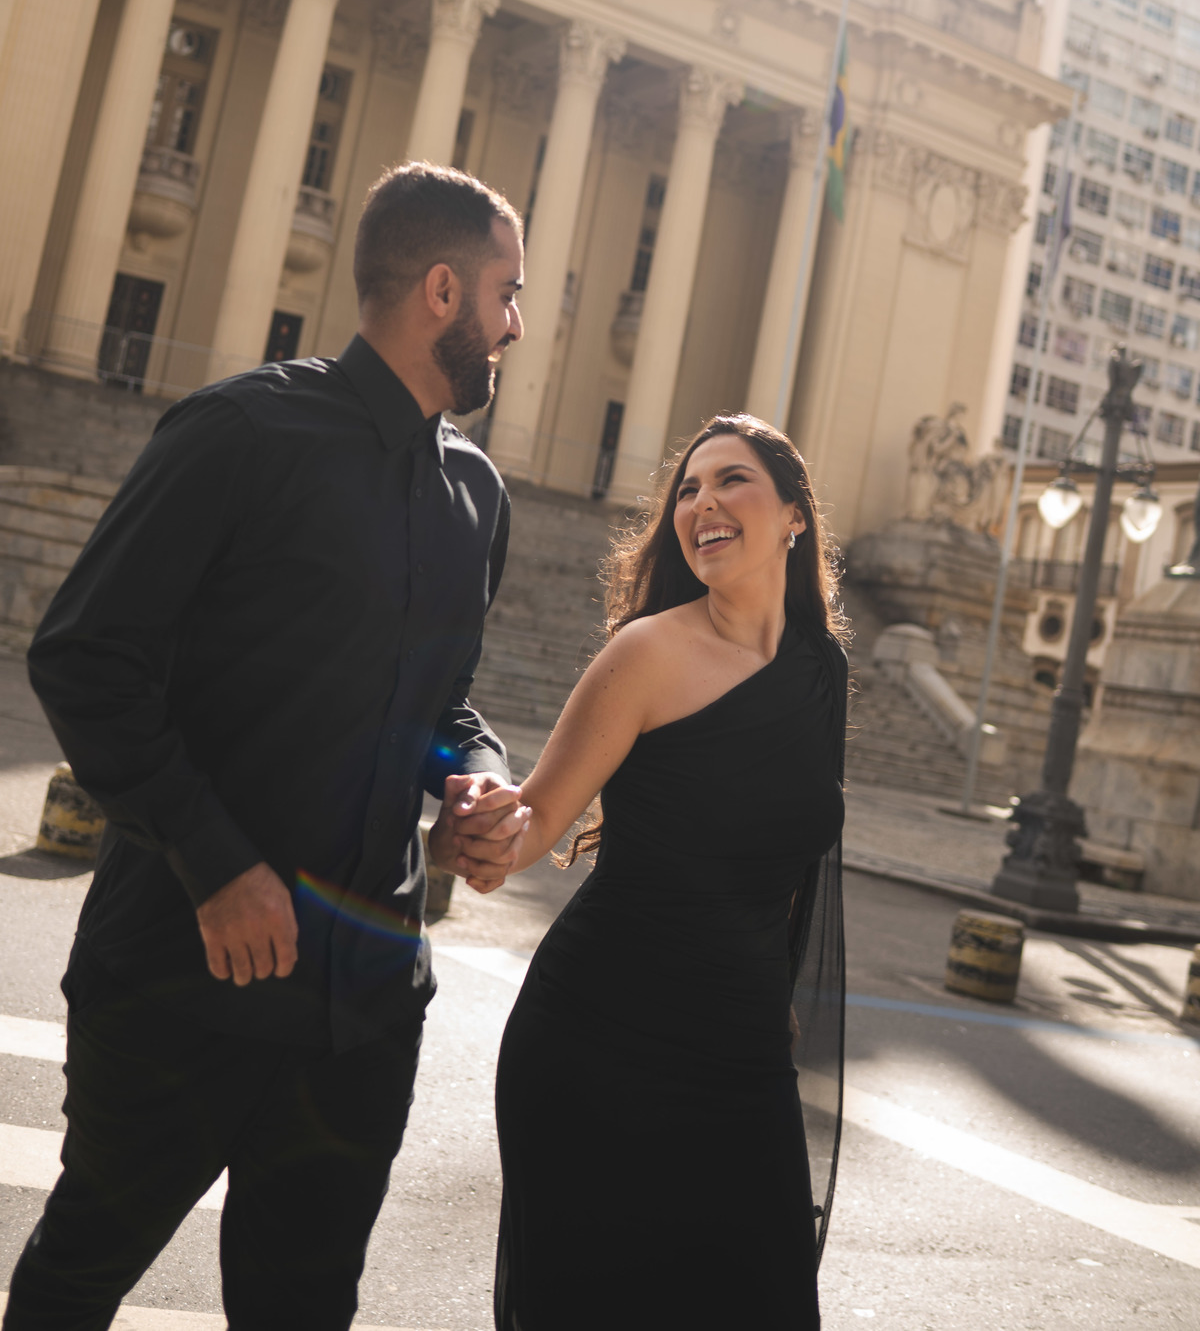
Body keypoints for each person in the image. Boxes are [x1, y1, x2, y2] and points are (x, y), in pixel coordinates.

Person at [7, 163, 531, 1331]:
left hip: (363, 1015)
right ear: (442, 291)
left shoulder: (478, 501)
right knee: (78, 1274)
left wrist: (478, 776)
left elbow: (442, 700)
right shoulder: (239, 431)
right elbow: (86, 657)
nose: (516, 324)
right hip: (186, 980)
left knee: (303, 1311)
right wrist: (216, 861)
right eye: (507, 293)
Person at [494, 413, 848, 1331]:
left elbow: (799, 861)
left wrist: (773, 1000)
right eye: (687, 489)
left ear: (794, 517)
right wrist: (477, 826)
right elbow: (535, 819)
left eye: (731, 481)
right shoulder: (645, 651)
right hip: (598, 1048)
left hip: (740, 1064)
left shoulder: (822, 672)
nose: (702, 503)